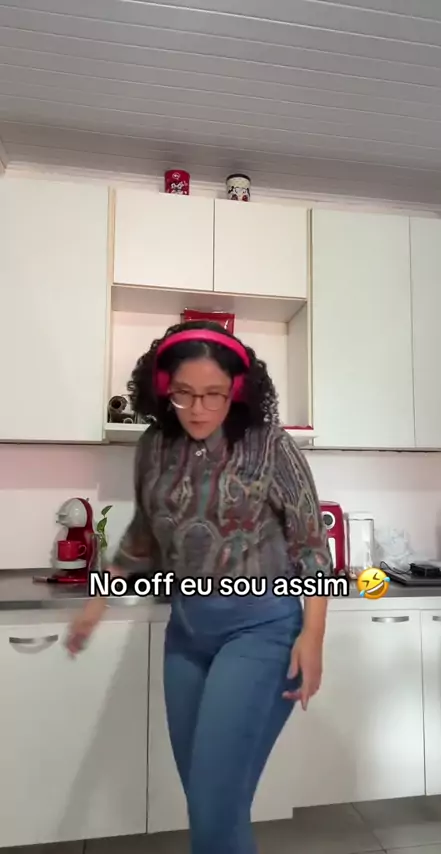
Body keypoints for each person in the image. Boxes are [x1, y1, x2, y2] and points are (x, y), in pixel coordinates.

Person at [66, 320, 332, 854]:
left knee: (214, 807)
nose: (198, 408)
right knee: (211, 804)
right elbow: (143, 533)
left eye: (214, 393)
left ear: (238, 389)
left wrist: (314, 635)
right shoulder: (154, 446)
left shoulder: (269, 445)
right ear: (165, 387)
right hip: (186, 637)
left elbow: (310, 544)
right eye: (184, 393)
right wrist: (97, 602)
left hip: (262, 632)